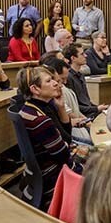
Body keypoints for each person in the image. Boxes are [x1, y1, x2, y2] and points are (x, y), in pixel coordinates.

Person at [16, 66, 75, 210]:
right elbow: (64, 156)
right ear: (35, 89)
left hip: (42, 171)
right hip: (53, 176)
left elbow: (67, 138)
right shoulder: (40, 120)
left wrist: (61, 108)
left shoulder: (30, 108)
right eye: (49, 81)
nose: (55, 83)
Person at [39, 53, 92, 144]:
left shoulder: (54, 101)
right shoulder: (43, 111)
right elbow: (62, 141)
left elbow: (65, 135)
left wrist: (62, 107)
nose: (59, 84)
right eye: (59, 80)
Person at [63, 44, 107, 117]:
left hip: (89, 112)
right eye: (82, 54)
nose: (86, 56)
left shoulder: (81, 75)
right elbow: (74, 106)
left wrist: (97, 107)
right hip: (82, 115)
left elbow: (86, 101)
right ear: (73, 58)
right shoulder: (68, 77)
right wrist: (96, 109)